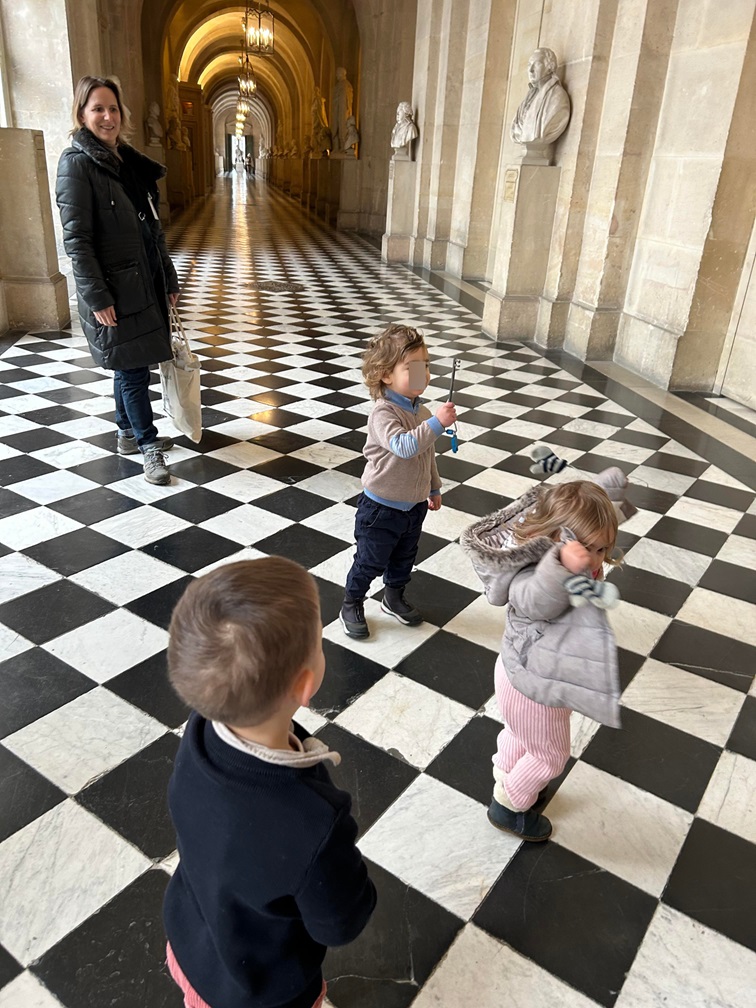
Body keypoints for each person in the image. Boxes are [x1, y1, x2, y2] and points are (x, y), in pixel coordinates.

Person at [164, 557, 376, 1008]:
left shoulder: (201, 730)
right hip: (263, 991)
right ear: (305, 684)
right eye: (319, 641)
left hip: (190, 943)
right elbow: (340, 923)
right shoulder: (312, 820)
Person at [461, 473, 633, 841]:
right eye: (590, 549)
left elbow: (579, 508)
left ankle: (507, 774)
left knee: (521, 736)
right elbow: (538, 600)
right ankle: (510, 805)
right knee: (551, 756)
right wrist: (561, 566)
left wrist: (609, 490)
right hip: (532, 685)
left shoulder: (575, 553)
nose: (597, 559)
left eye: (603, 550)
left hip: (527, 673)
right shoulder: (534, 574)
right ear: (556, 541)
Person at [56, 76, 178, 486]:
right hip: (115, 290)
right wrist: (96, 297)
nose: (107, 117)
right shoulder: (76, 164)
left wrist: (169, 277)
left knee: (128, 364)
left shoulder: (127, 162)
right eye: (97, 109)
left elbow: (152, 228)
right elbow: (77, 239)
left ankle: (127, 432)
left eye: (113, 108)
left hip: (144, 281)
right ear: (81, 114)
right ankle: (147, 445)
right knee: (132, 370)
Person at [340, 325, 457, 639]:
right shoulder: (383, 414)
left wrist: (433, 487)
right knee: (370, 561)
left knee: (404, 558)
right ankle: (352, 602)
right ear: (385, 375)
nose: (424, 375)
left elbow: (426, 454)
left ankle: (393, 597)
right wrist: (436, 424)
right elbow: (406, 447)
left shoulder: (423, 412)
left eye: (426, 366)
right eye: (412, 369)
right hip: (380, 509)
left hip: (414, 506)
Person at [510, 47, 570, 146]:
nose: (531, 70)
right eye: (529, 65)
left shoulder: (557, 97)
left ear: (549, 67)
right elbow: (515, 130)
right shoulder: (528, 98)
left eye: (537, 64)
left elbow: (546, 129)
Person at [331, 67, 353, 152]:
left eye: (337, 73)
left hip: (343, 110)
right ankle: (337, 147)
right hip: (337, 110)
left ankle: (343, 146)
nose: (336, 75)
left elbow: (347, 100)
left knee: (342, 127)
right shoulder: (338, 85)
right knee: (336, 127)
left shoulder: (345, 85)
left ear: (341, 74)